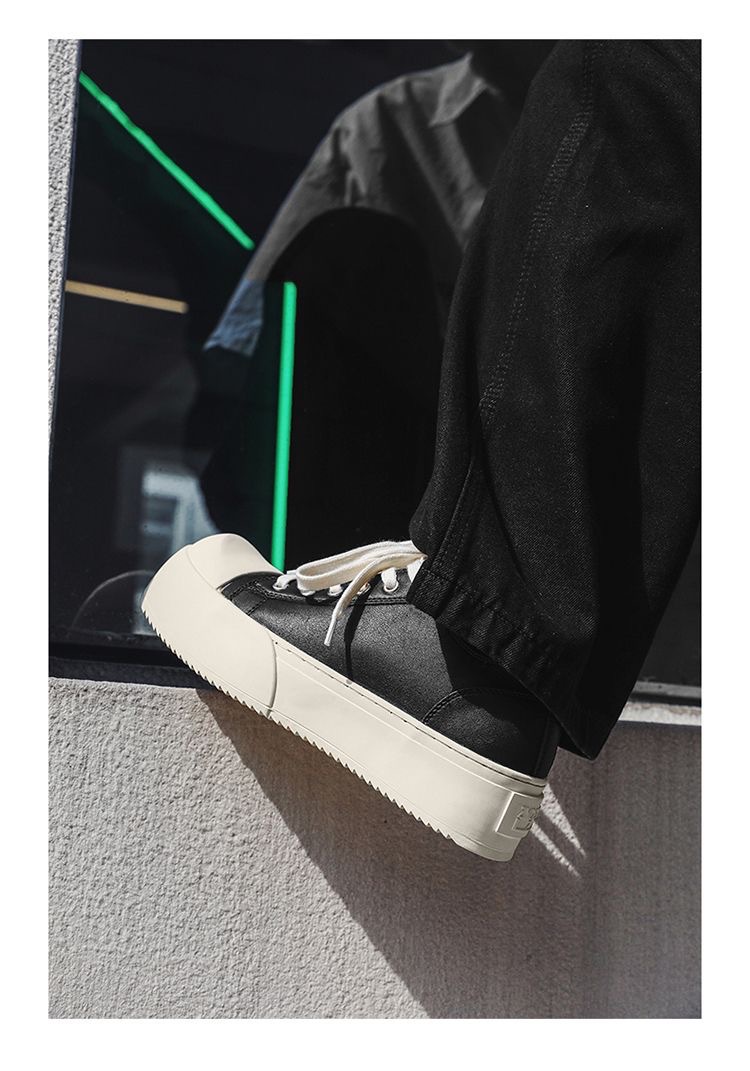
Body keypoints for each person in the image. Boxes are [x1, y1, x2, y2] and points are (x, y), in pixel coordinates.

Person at [143, 40, 700, 861]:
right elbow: (252, 361)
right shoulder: (386, 129)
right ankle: (461, 628)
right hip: (408, 500)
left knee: (637, 63)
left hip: (606, 597)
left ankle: (473, 657)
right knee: (357, 247)